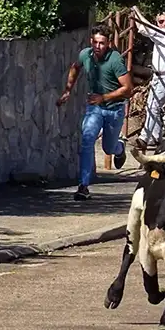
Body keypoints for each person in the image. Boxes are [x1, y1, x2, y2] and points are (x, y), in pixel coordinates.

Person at [57, 23, 131, 201]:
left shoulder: (115, 61)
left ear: (108, 44)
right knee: (87, 138)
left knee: (108, 147)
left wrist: (104, 97)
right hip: (95, 108)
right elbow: (75, 67)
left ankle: (119, 148)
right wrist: (68, 90)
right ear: (91, 41)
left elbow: (128, 88)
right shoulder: (85, 55)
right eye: (96, 42)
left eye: (102, 43)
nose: (98, 47)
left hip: (114, 109)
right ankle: (83, 186)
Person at [132, 7, 165, 150]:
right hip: (158, 75)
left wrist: (136, 10)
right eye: (161, 21)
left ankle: (144, 136)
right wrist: (135, 14)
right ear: (157, 22)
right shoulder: (160, 36)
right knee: (151, 105)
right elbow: (144, 29)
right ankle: (155, 137)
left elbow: (147, 28)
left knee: (153, 106)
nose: (164, 24)